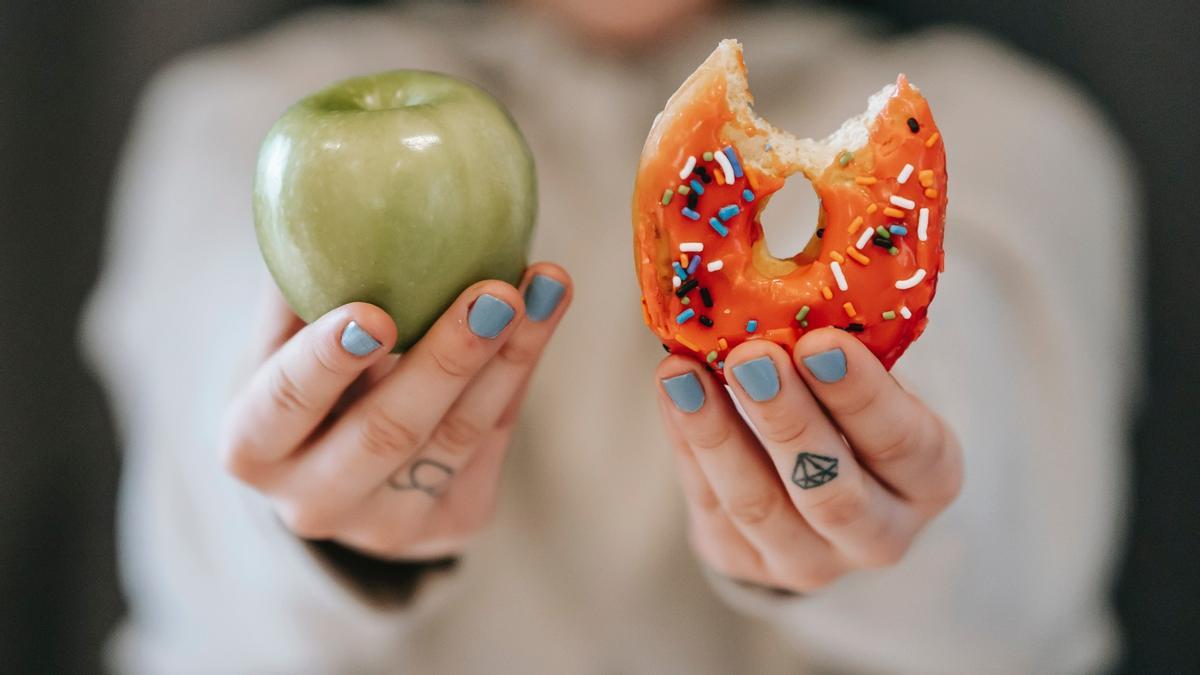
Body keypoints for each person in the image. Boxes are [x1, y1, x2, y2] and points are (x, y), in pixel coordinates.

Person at [82, 0, 1138, 672]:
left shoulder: (1009, 128)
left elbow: (1016, 560)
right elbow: (200, 544)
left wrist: (878, 530)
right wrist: (316, 534)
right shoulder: (235, 117)